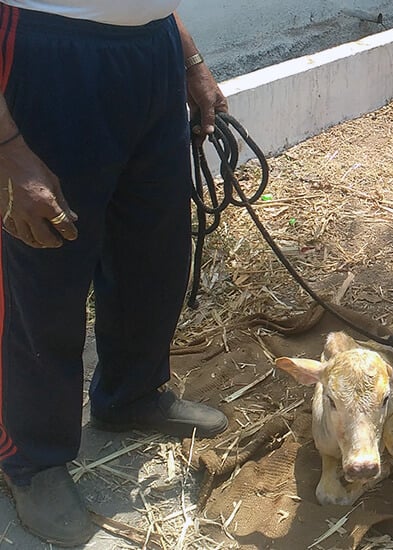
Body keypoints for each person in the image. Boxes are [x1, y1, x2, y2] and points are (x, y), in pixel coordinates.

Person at [0, 2, 229, 546]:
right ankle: (30, 459)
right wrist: (9, 151)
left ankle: (130, 395)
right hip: (44, 52)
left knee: (151, 251)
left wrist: (189, 57)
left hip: (150, 54)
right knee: (43, 275)